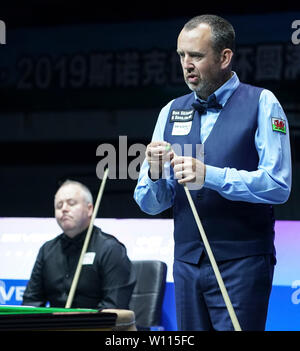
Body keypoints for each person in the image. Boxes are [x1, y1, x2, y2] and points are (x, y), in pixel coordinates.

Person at [134, 14, 291, 331]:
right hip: (187, 265)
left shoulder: (262, 103)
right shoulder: (170, 111)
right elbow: (151, 203)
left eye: (196, 55)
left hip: (242, 264)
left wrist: (212, 176)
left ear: (224, 57)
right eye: (182, 55)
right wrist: (152, 172)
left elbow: (278, 185)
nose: (187, 64)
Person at [22, 180, 136, 310]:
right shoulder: (47, 250)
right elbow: (31, 303)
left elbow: (114, 309)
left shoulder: (110, 249)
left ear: (89, 209)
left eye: (71, 203)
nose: (64, 209)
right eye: (59, 206)